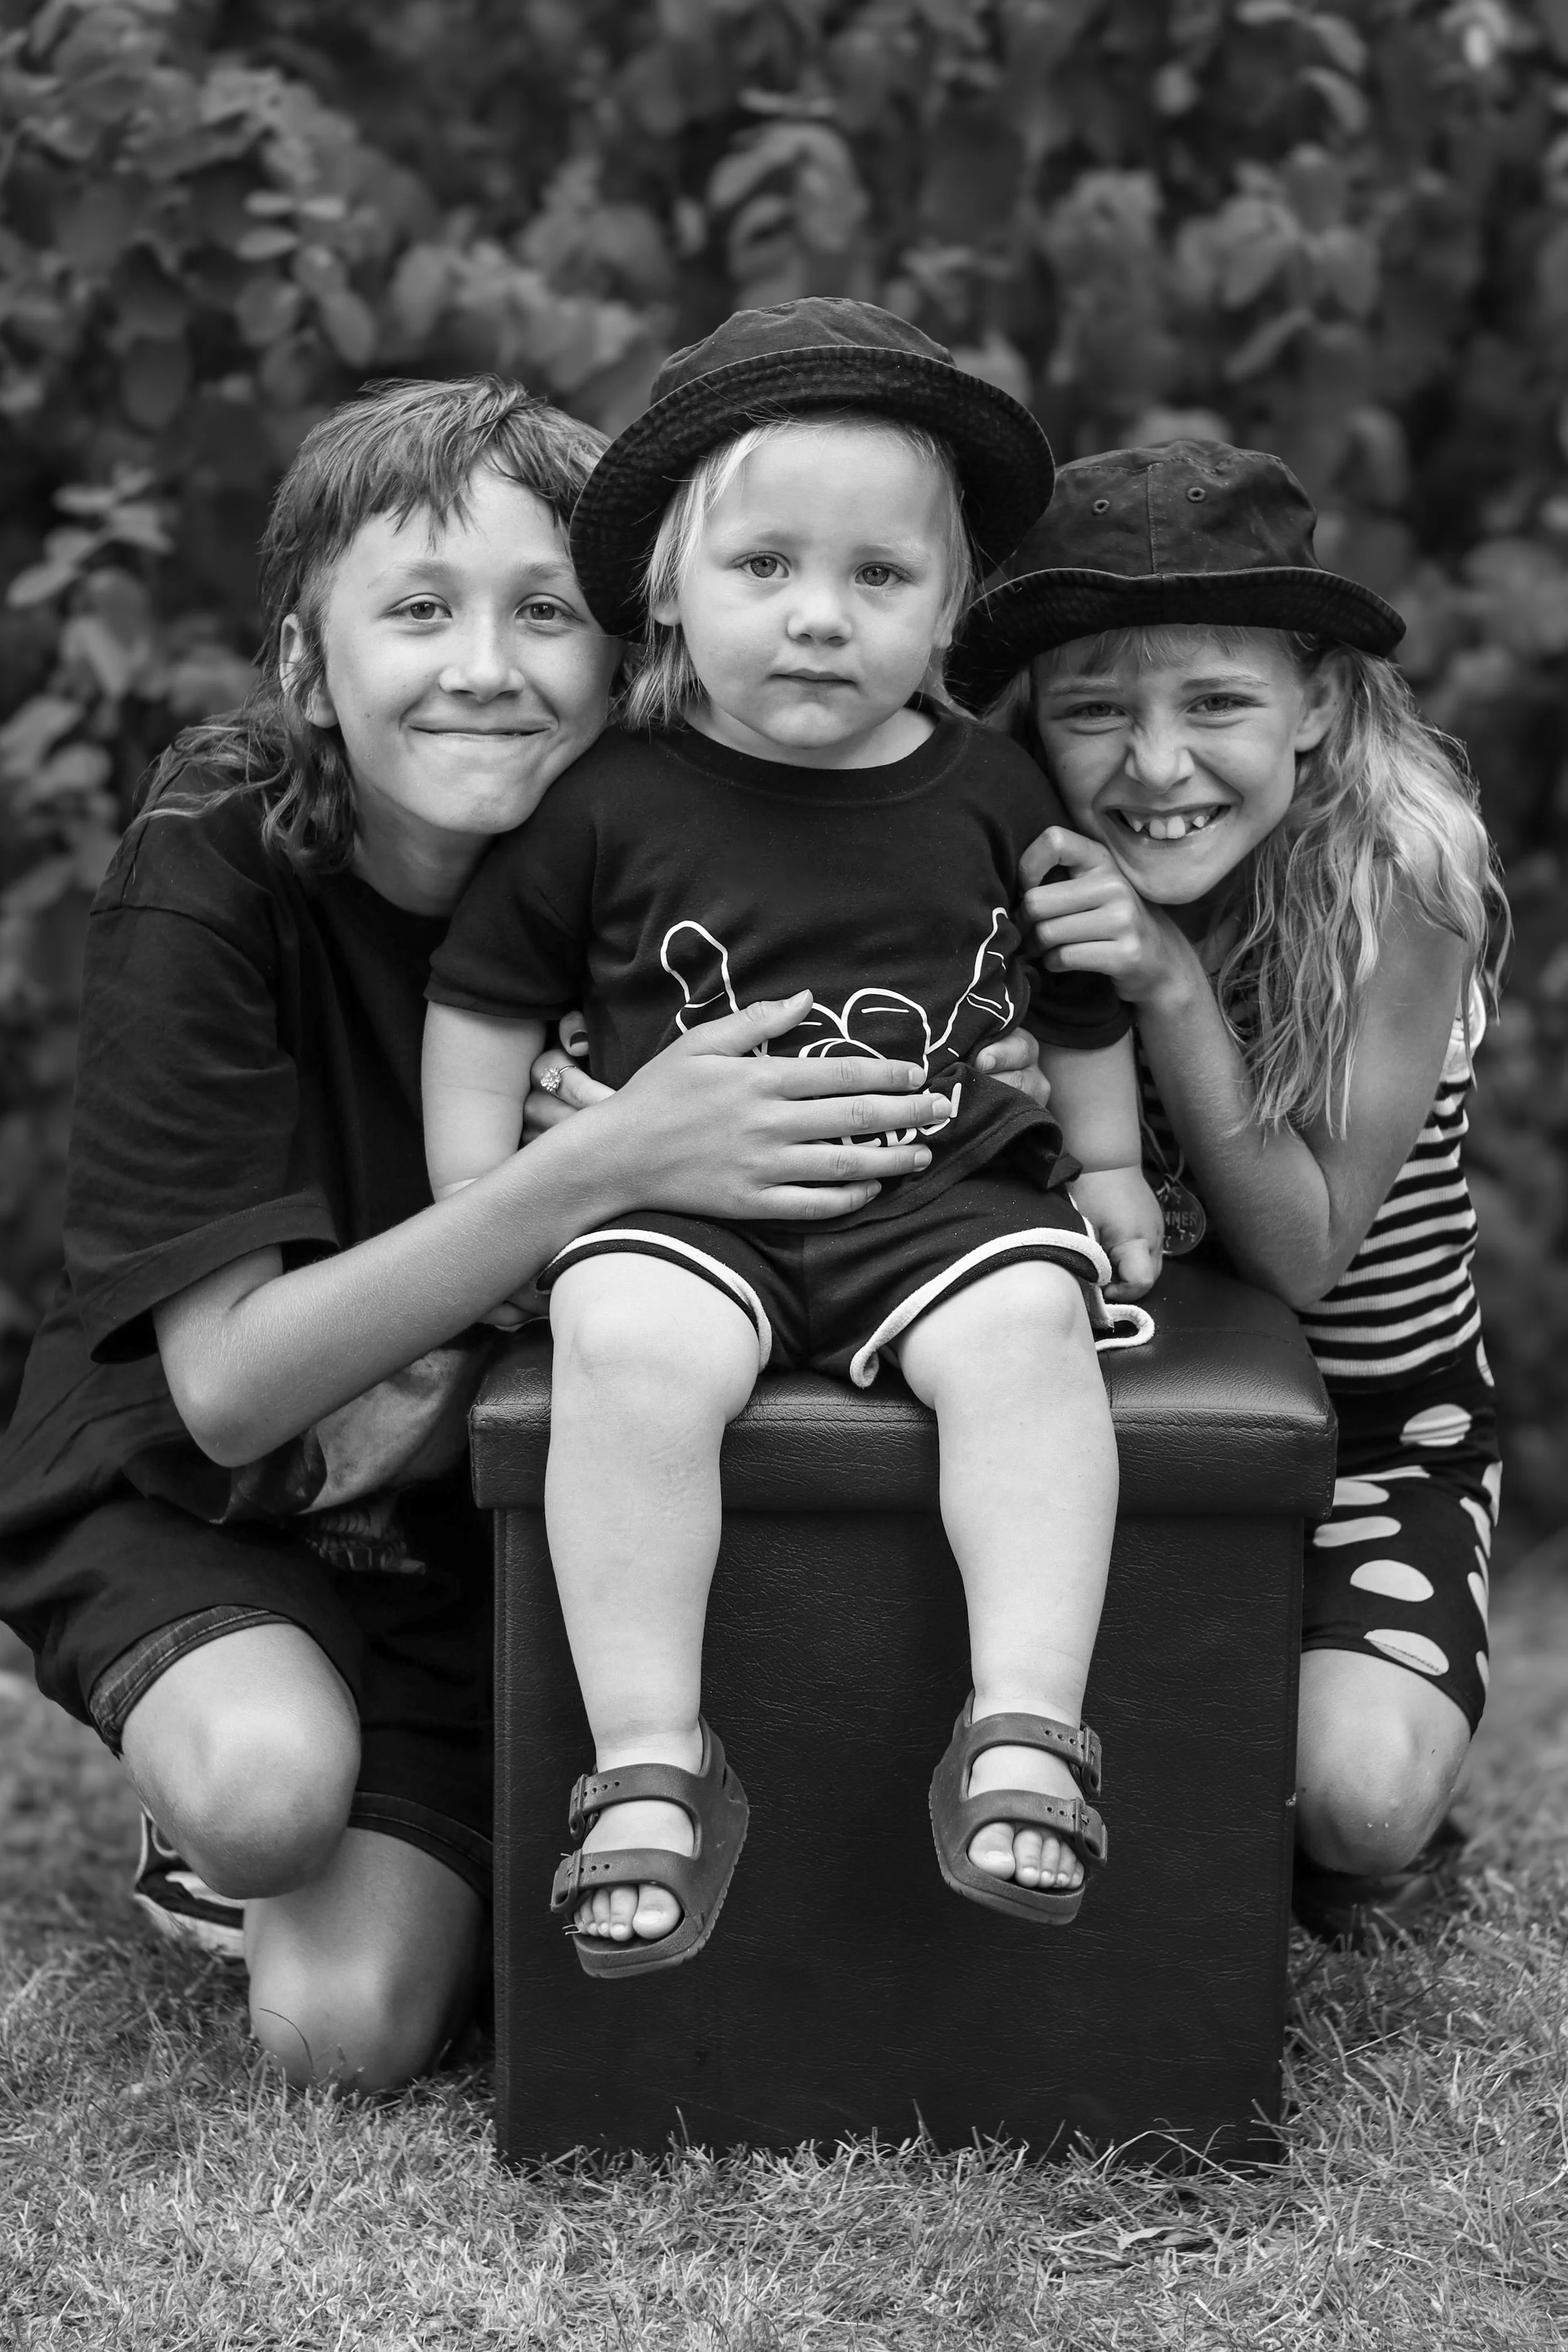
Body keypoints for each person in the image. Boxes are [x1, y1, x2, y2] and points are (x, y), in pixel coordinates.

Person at [0, 373, 974, 2089]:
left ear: (627, 646)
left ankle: (447, 1793)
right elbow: (228, 1391)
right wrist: (591, 1166)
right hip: (213, 1487)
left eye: (544, 612)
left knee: (345, 2029)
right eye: (416, 611)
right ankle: (226, 1767)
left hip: (467, 1530)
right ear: (309, 659)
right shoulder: (216, 868)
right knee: (267, 1790)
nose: (483, 666)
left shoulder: (707, 831)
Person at [421, 299, 1162, 1978]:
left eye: (876, 579)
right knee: (623, 1339)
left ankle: (1026, 1726)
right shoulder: (606, 797)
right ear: (670, 588)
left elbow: (1072, 994)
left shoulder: (989, 790)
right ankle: (649, 1762)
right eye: (765, 569)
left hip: (941, 1198)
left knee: (1033, 1335)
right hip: (688, 1206)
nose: (819, 619)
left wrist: (1107, 1167)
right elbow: (479, 994)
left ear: (945, 605)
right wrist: (482, 1194)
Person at [949, 438, 1505, 1947]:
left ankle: (1327, 1763)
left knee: (1357, 1803)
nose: (1154, 764)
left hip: (1370, 1441)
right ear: (1029, 725)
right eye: (1093, 712)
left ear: (1315, 703)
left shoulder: (1402, 882)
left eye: (1214, 703)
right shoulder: (976, 857)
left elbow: (1306, 1258)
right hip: (1082, 1434)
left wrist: (1167, 987)